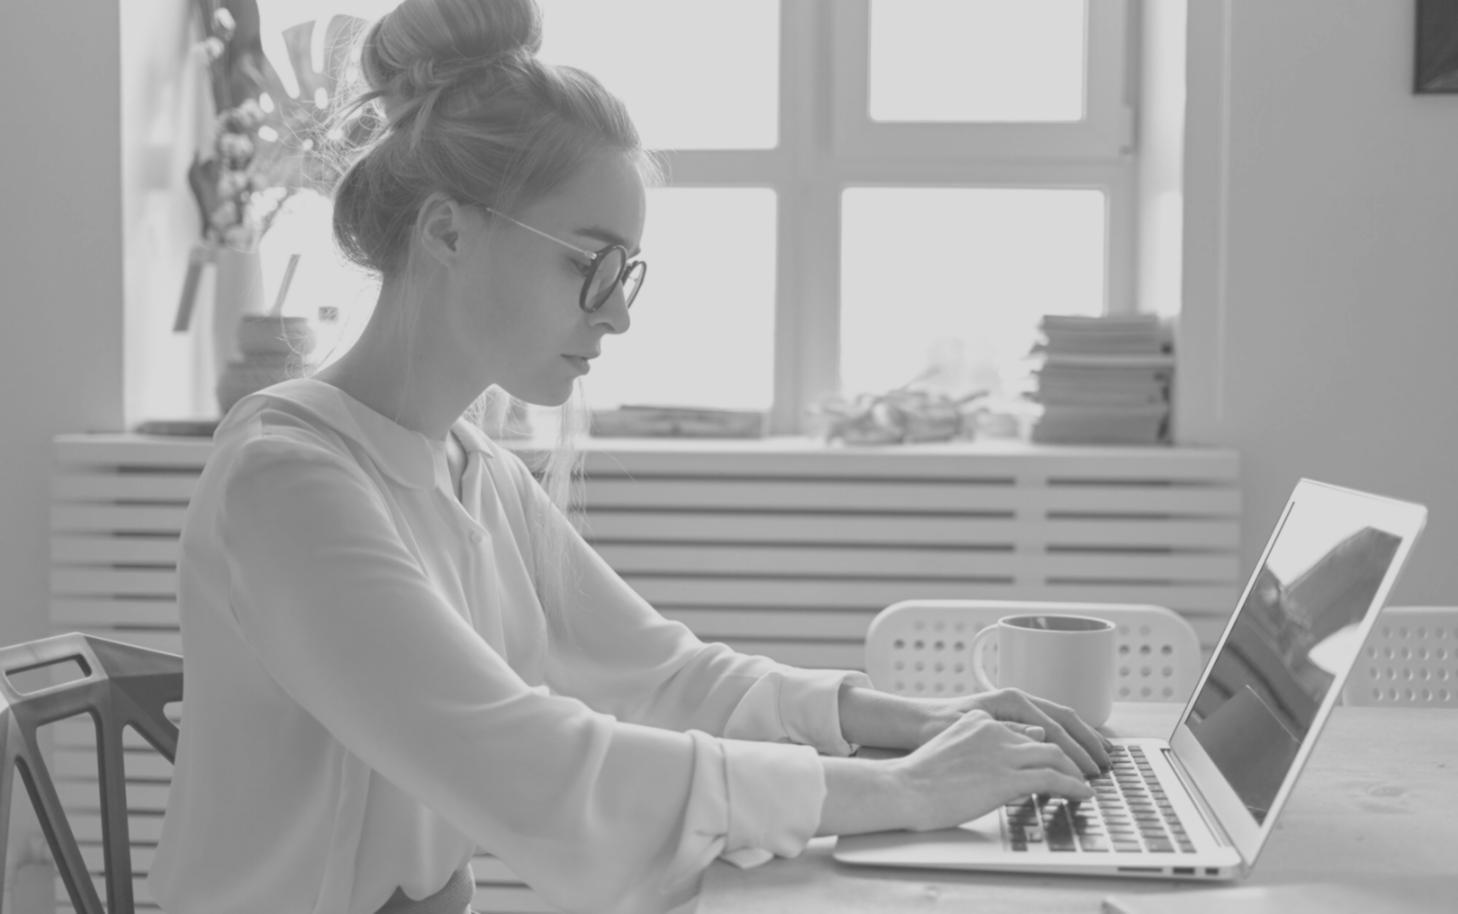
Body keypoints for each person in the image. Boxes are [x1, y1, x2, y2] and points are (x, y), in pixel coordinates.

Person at [148, 2, 1109, 912]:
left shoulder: (474, 472)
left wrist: (915, 721)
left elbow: (666, 677)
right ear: (446, 230)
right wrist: (899, 791)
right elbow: (533, 764)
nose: (618, 312)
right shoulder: (289, 485)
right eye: (589, 262)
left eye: (625, 272)